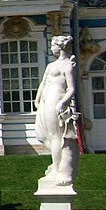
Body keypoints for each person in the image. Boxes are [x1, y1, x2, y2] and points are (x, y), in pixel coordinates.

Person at [34, 34, 81, 187]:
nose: (51, 48)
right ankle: (58, 161)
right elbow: (43, 83)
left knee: (56, 137)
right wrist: (38, 98)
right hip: (46, 101)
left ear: (60, 47)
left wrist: (62, 102)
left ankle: (57, 168)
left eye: (53, 45)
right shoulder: (51, 65)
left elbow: (72, 88)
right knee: (41, 135)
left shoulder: (68, 65)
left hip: (56, 100)